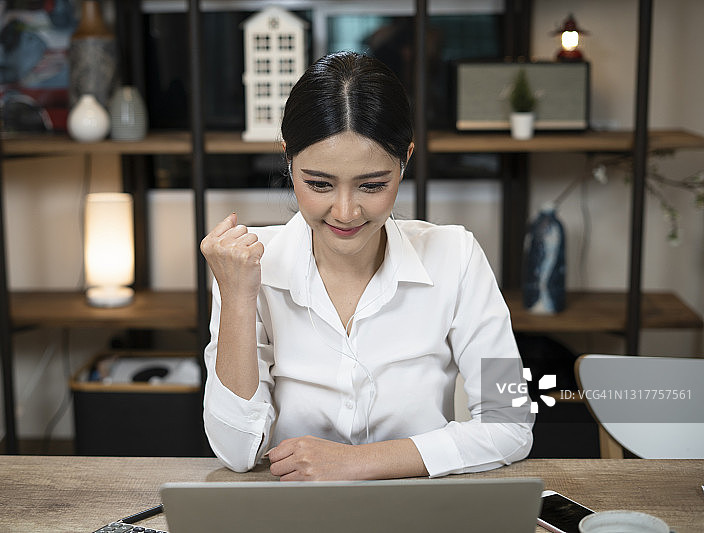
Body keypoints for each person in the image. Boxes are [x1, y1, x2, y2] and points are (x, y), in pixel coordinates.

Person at [200, 51, 532, 481]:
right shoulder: (247, 265)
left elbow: (511, 423)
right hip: (292, 513)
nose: (345, 211)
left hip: (418, 510)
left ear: (405, 159)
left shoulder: (457, 255)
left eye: (372, 185)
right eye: (319, 184)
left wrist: (356, 463)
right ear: (287, 159)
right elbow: (236, 452)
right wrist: (237, 299)